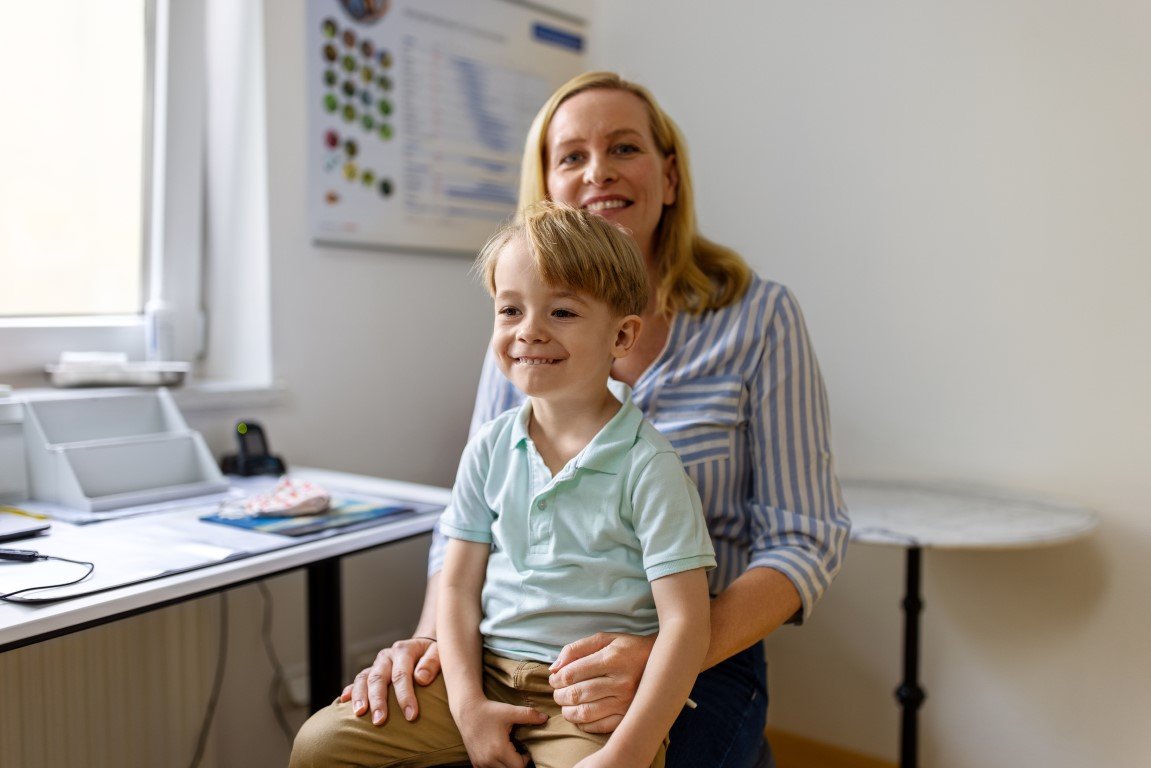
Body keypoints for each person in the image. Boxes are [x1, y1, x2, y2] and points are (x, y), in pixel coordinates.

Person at [335, 71, 852, 768]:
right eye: (571, 156)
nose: (598, 172)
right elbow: (467, 532)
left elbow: (804, 539)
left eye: (623, 148)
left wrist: (662, 651)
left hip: (703, 646)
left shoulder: (760, 318)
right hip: (514, 647)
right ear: (546, 190)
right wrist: (429, 648)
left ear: (669, 177)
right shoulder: (525, 335)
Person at [291, 202, 716, 768]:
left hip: (584, 697)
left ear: (622, 335)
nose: (529, 331)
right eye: (510, 309)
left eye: (562, 311)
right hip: (481, 669)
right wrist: (467, 706)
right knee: (320, 747)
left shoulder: (649, 466)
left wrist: (630, 752)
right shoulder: (488, 448)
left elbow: (686, 622)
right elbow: (459, 587)